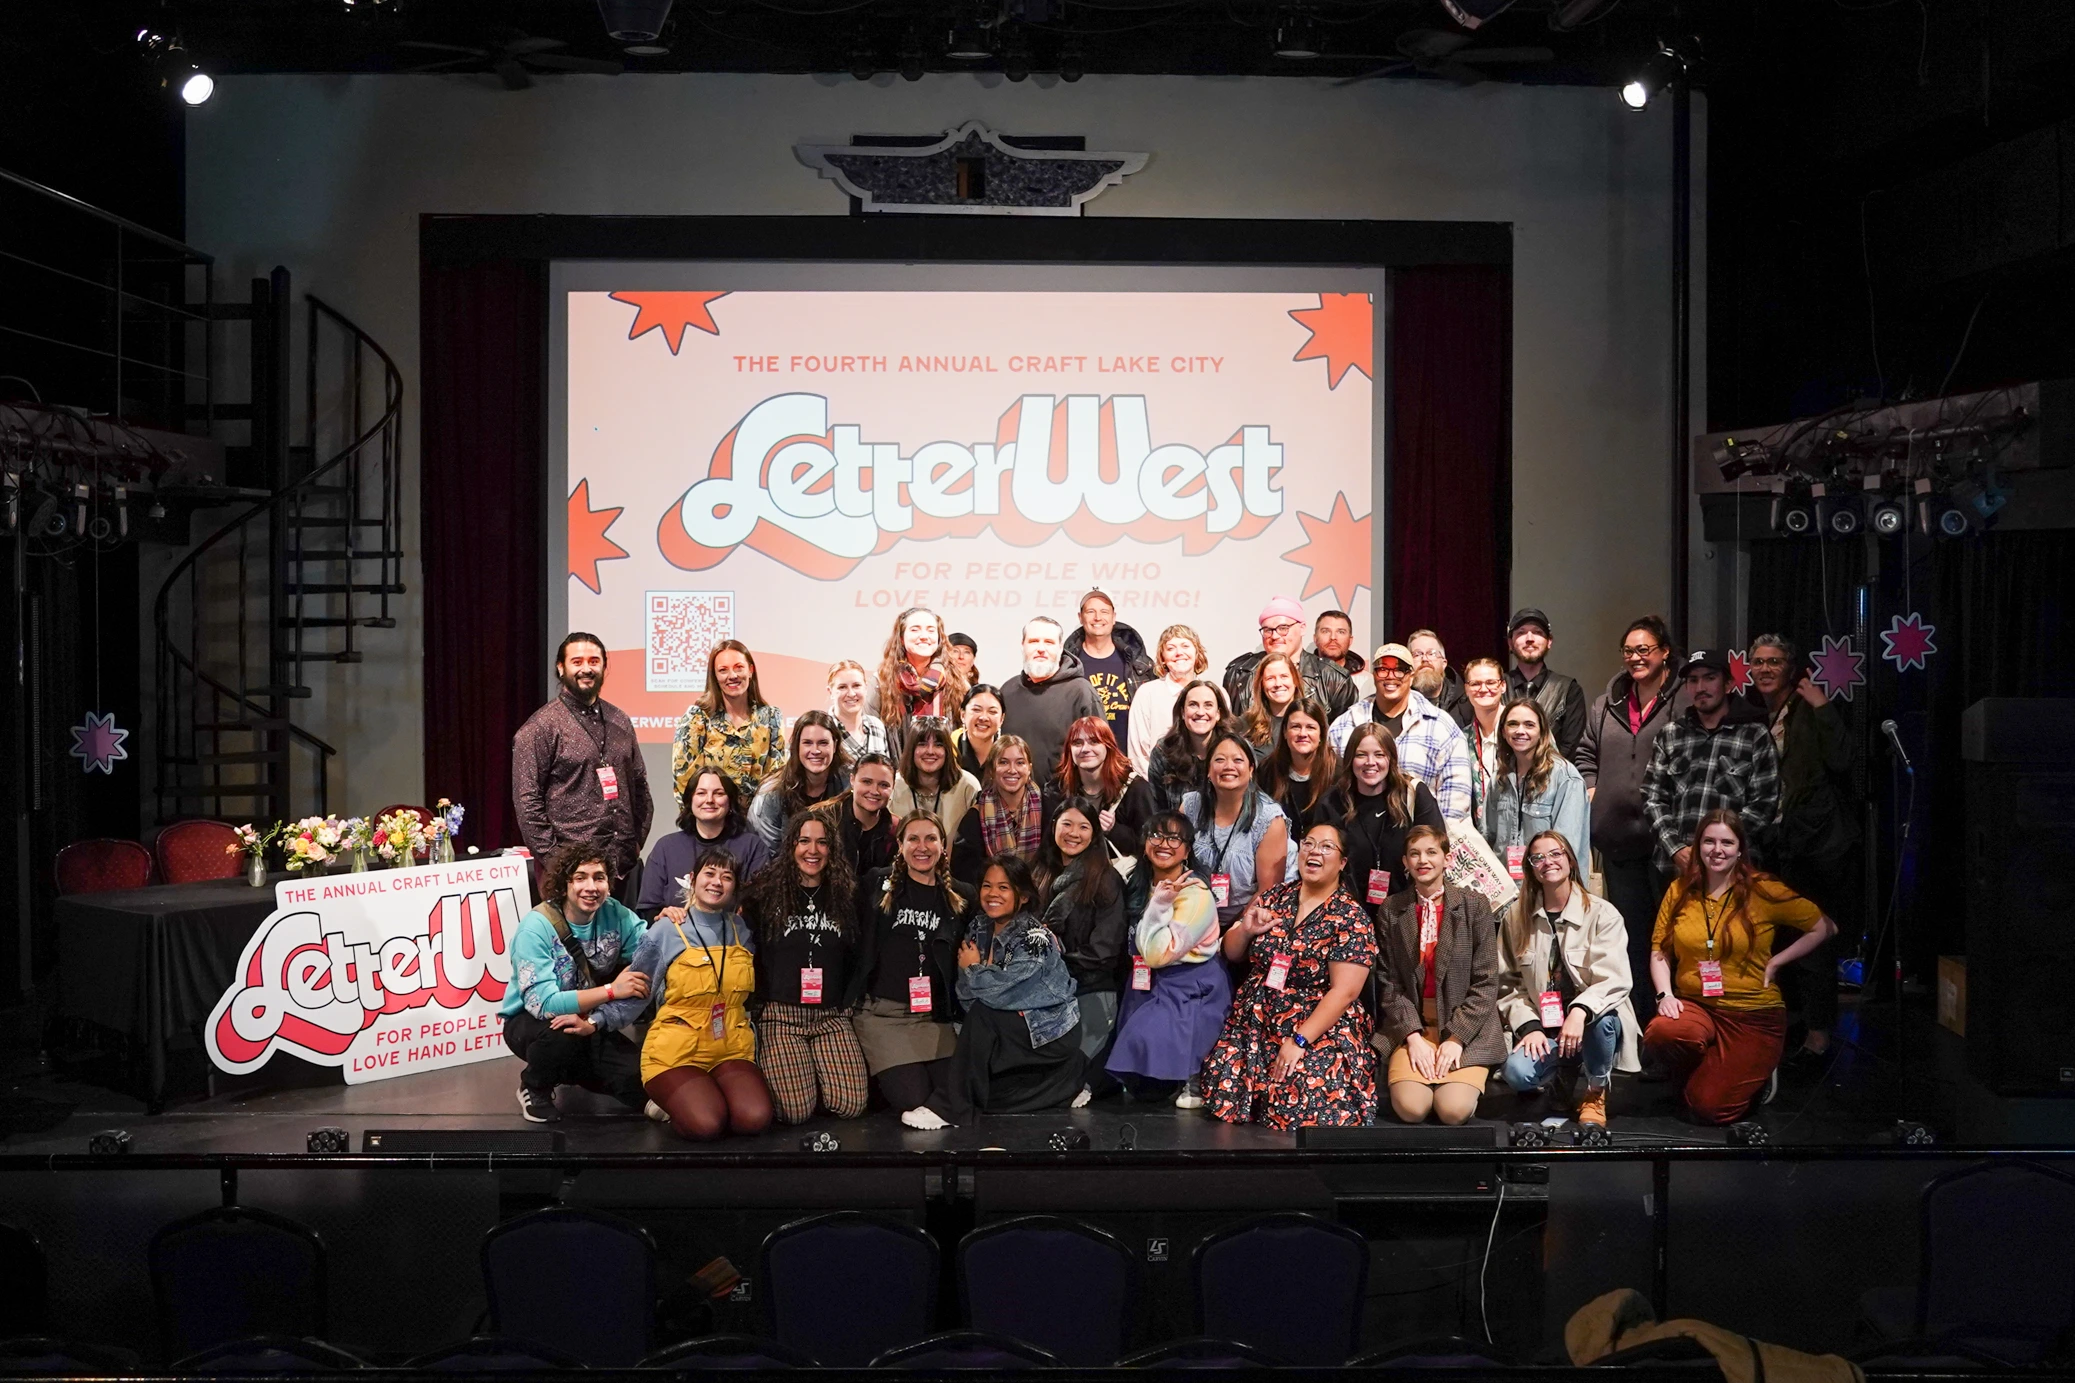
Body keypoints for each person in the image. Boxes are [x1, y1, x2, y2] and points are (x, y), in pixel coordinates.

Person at [1643, 811, 1838, 1124]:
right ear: (1698, 846)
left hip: (1753, 1013)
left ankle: (1747, 1079)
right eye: (1709, 841)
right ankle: (1711, 1077)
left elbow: (1825, 927)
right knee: (1663, 1032)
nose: (1717, 850)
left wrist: (1777, 961)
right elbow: (1659, 950)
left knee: (1709, 1109)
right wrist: (1665, 995)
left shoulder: (1763, 890)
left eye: (1727, 842)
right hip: (1697, 1005)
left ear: (1740, 849)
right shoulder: (1680, 890)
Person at [1200, 822, 1378, 1130]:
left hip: (1315, 1022)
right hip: (1257, 1018)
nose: (1314, 852)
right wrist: (1246, 930)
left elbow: (1344, 992)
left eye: (1326, 847)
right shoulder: (1275, 896)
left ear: (1342, 862)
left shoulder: (1350, 917)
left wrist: (1299, 1040)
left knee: (1301, 1103)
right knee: (1224, 1090)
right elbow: (1232, 952)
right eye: (1308, 844)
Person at [593, 850, 773, 1141]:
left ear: (734, 887)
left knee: (754, 1118)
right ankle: (678, 1103)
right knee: (706, 1124)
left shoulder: (741, 930)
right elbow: (638, 990)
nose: (717, 882)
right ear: (693, 879)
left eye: (727, 877)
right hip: (677, 1051)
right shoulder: (667, 929)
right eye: (709, 874)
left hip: (730, 1047)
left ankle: (708, 1093)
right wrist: (596, 1021)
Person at [903, 855, 1086, 1128]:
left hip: (1050, 1031)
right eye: (987, 886)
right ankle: (1067, 1084)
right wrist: (979, 981)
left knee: (982, 1015)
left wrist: (974, 968)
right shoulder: (979, 927)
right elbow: (965, 991)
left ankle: (948, 1110)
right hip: (1012, 1028)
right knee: (985, 1097)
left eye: (1003, 887)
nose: (992, 894)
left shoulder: (1035, 938)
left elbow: (1000, 993)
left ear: (1023, 896)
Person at [1745, 634, 1860, 1068]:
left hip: (1818, 846)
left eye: (1774, 661)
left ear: (1791, 667)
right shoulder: (1759, 715)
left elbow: (1844, 760)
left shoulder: (1809, 707)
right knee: (1782, 938)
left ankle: (1818, 1036)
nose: (1765, 669)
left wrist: (1822, 705)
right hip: (1778, 846)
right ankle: (1794, 1025)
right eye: (1758, 662)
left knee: (1813, 941)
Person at [1576, 616, 1682, 1025]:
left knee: (1672, 935)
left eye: (1644, 650)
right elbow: (1586, 753)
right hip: (1619, 841)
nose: (1635, 658)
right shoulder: (1607, 704)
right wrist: (1592, 788)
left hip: (1669, 843)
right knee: (1632, 936)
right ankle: (1638, 1022)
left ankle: (1674, 1022)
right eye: (1629, 651)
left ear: (1664, 652)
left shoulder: (1683, 699)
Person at [1496, 831, 1639, 1128]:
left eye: (1555, 854)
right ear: (1530, 868)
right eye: (1538, 857)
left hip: (1591, 1026)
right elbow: (1508, 984)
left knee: (1603, 1021)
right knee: (1516, 1073)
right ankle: (1560, 1075)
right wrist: (1529, 1027)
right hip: (1547, 1028)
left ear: (1570, 860)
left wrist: (1580, 1010)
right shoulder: (1516, 917)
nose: (1547, 862)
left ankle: (1595, 1091)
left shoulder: (1602, 914)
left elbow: (1615, 979)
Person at [501, 840, 650, 1123]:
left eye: (599, 878)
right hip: (532, 1021)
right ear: (564, 883)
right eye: (580, 877)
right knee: (562, 1037)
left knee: (640, 1078)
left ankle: (576, 1070)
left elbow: (651, 952)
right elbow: (544, 1004)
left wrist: (670, 923)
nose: (591, 887)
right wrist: (612, 991)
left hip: (589, 1019)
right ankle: (534, 1086)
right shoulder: (536, 927)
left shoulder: (617, 915)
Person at [1373, 825, 1506, 1126]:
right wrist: (1413, 1037)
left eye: (1431, 852)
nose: (1423, 860)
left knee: (1452, 1111)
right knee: (1412, 1109)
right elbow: (1389, 982)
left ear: (1447, 858)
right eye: (1414, 854)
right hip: (1414, 1026)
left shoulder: (1474, 905)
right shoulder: (1392, 909)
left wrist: (1457, 1038)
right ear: (1405, 862)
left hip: (1463, 1027)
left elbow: (1486, 982)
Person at [742, 813, 868, 1124]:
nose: (813, 850)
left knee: (851, 1105)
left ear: (832, 849)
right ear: (791, 846)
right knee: (794, 1112)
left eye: (822, 842)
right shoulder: (763, 893)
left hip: (830, 1016)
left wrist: (847, 1003)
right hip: (780, 1015)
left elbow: (857, 954)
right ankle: (800, 1079)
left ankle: (812, 1076)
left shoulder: (847, 894)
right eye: (804, 841)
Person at [512, 633, 653, 894]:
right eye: (577, 662)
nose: (586, 669)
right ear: (560, 668)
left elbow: (640, 787)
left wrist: (635, 844)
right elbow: (527, 802)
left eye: (594, 661)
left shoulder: (620, 720)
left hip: (622, 867)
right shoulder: (540, 728)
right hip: (570, 876)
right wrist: (557, 862)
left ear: (604, 667)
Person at [849, 813, 971, 1115]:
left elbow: (996, 922)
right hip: (882, 1016)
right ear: (900, 845)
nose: (922, 847)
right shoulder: (876, 884)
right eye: (913, 839)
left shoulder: (961, 896)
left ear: (943, 846)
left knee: (956, 1098)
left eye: (931, 839)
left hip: (933, 1017)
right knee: (915, 1101)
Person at [1106, 812, 1228, 1109]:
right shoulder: (1137, 880)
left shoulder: (1196, 894)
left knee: (1145, 1036)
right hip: (1146, 980)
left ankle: (1194, 1077)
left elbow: (1157, 954)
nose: (1164, 844)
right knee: (1141, 1087)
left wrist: (1160, 904)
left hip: (1190, 982)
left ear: (1187, 850)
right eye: (1156, 836)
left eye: (1174, 838)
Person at [1642, 649, 1780, 877]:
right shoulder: (1671, 734)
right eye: (1693, 680)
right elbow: (1653, 797)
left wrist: (1716, 848)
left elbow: (1764, 804)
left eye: (1709, 678)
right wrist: (1676, 849)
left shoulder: (1754, 735)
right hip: (1675, 868)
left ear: (1728, 684)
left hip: (1734, 871)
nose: (1700, 687)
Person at [1327, 643, 1473, 826]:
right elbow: (1333, 788)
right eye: (1383, 669)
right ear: (1374, 675)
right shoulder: (1345, 725)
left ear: (1411, 676)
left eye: (1399, 670)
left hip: (1421, 836)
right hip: (1358, 834)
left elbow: (1456, 793)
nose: (1391, 676)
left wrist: (1437, 837)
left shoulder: (1440, 726)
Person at [1036, 796, 1129, 1069]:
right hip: (1043, 986)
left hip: (1089, 988)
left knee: (1074, 1072)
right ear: (1054, 825)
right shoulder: (1040, 872)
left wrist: (1057, 962)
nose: (1073, 833)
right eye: (1067, 824)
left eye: (1083, 826)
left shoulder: (1105, 879)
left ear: (1094, 833)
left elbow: (1104, 951)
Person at [1329, 722, 1446, 922]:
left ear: (1391, 758)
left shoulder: (1414, 795)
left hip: (1408, 913)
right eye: (1361, 755)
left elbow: (1436, 853)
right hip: (1348, 916)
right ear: (1350, 759)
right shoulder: (1334, 801)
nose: (1370, 762)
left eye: (1379, 754)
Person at [1179, 724, 1291, 925]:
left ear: (1251, 770)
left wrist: (1234, 933)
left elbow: (1267, 892)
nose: (1228, 766)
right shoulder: (1190, 807)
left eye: (1238, 760)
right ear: (1208, 770)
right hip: (1191, 916)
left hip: (1245, 922)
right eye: (1219, 760)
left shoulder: (1269, 819)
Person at [636, 768, 771, 921]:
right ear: (690, 801)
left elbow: (761, 909)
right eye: (701, 793)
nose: (709, 800)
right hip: (676, 934)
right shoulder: (665, 848)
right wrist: (663, 916)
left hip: (734, 935)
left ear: (730, 802)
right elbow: (647, 911)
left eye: (718, 793)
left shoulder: (752, 847)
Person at [670, 639, 787, 806]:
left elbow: (777, 778)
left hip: (758, 817)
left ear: (750, 670)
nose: (732, 676)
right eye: (723, 670)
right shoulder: (697, 718)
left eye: (739, 667)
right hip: (711, 816)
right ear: (715, 676)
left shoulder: (771, 718)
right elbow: (684, 783)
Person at [1483, 697, 1591, 874]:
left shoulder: (1565, 777)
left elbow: (1566, 848)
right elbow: (1488, 836)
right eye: (1512, 724)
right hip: (1507, 885)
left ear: (1542, 731)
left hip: (1547, 883)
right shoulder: (1499, 779)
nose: (1520, 731)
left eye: (1529, 725)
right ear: (1503, 731)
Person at [998, 616, 1101, 789]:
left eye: (1049, 642)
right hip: (1012, 799)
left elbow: (1100, 754)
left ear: (1060, 647)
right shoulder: (1007, 691)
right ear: (1022, 645)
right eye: (1033, 641)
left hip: (1066, 799)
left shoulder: (1081, 692)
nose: (1041, 649)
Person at [1223, 597, 1357, 721]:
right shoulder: (1239, 673)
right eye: (1268, 630)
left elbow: (1343, 734)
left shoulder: (1334, 678)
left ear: (1302, 628)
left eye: (1283, 628)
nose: (1275, 636)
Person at [1047, 715, 1156, 857]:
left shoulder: (1136, 789)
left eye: (1094, 742)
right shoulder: (1057, 789)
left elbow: (1149, 844)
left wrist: (1114, 830)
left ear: (1108, 747)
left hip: (1117, 869)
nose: (1085, 749)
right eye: (1077, 743)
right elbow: (1048, 844)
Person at [1062, 588, 1157, 748]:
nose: (1098, 617)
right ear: (1080, 617)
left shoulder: (1140, 666)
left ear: (1114, 617)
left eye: (1104, 612)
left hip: (1130, 758)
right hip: (1083, 756)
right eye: (1091, 611)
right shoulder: (1067, 667)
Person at [869, 606, 969, 754]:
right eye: (915, 630)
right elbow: (870, 731)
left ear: (939, 638)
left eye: (931, 630)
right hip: (896, 766)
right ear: (901, 638)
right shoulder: (882, 681)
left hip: (946, 766)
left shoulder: (957, 681)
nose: (924, 636)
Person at [747, 711, 849, 848]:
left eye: (823, 743)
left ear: (835, 745)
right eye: (807, 743)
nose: (815, 750)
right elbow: (766, 852)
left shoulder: (849, 785)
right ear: (796, 746)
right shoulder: (770, 794)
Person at [953, 735, 1043, 888]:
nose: (1012, 770)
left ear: (1029, 768)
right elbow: (964, 876)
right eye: (1003, 762)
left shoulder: (1047, 809)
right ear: (992, 770)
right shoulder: (974, 818)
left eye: (1020, 763)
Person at [1126, 623, 1212, 776]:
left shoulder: (1214, 694)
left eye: (1185, 646)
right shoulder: (1147, 694)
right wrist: (1159, 785)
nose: (1179, 653)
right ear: (1162, 658)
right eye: (1171, 648)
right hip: (1157, 784)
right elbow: (1138, 754)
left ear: (1197, 653)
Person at [1504, 608, 1587, 761]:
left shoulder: (1568, 689)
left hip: (1553, 773)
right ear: (1510, 642)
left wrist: (1543, 772)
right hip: (1503, 774)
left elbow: (1571, 747)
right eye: (1521, 632)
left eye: (1538, 632)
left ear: (1549, 641)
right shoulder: (1496, 687)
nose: (1530, 638)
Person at [809, 752, 899, 881]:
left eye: (883, 785)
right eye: (867, 782)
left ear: (893, 787)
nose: (874, 791)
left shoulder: (897, 829)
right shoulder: (820, 819)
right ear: (852, 780)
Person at [1257, 700, 1340, 838]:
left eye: (1310, 727)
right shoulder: (1267, 770)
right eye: (1295, 727)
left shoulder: (1338, 772)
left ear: (1321, 734)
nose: (1302, 734)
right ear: (1285, 732)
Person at [1146, 679, 1230, 812]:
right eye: (1193, 705)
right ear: (1182, 713)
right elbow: (1158, 812)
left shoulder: (1236, 751)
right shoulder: (1162, 752)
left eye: (1208, 705)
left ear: (1218, 714)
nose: (1200, 712)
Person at [890, 722, 981, 839]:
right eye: (922, 744)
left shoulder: (968, 786)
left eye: (938, 745)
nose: (930, 751)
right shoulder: (893, 785)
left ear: (947, 750)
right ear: (911, 749)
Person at [1459, 657, 1508, 828]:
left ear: (1503, 686)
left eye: (1491, 682)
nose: (1483, 689)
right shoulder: (1461, 739)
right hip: (1479, 834)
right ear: (1466, 689)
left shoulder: (1524, 730)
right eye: (1475, 684)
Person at [827, 659, 890, 766]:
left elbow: (886, 770)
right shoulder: (824, 729)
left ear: (866, 688)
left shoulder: (877, 726)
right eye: (842, 687)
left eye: (856, 686)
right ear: (830, 692)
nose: (851, 694)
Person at [1406, 629, 1469, 726]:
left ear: (1444, 663)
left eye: (1432, 653)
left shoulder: (1467, 703)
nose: (1425, 659)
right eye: (1417, 654)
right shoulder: (1400, 703)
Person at [1241, 652, 1302, 751]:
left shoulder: (1312, 718)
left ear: (1295, 681)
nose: (1278, 684)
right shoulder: (1247, 723)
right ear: (1262, 684)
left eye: (1284, 676)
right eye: (1270, 678)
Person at [953, 684, 1004, 780]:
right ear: (963, 715)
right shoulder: (949, 750)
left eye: (992, 712)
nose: (983, 717)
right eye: (976, 710)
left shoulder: (1010, 753)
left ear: (1002, 719)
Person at [1312, 609, 1366, 679]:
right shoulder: (1300, 677)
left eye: (1341, 632)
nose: (1333, 637)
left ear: (1350, 640)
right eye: (1326, 631)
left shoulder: (1366, 680)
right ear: (1315, 638)